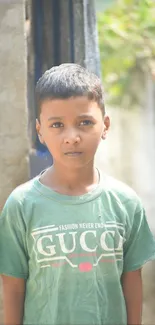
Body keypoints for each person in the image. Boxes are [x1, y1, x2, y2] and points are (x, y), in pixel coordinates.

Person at [0, 63, 155, 325]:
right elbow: (13, 289)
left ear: (105, 125)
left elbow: (132, 283)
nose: (72, 137)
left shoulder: (124, 202)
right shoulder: (22, 204)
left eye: (84, 122)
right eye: (57, 124)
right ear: (40, 131)